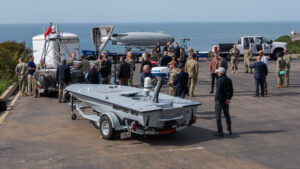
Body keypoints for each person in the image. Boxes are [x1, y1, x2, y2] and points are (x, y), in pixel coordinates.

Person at [214, 67, 233, 137]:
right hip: (226, 100)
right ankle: (229, 129)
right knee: (227, 115)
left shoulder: (219, 80)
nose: (217, 73)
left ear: (220, 73)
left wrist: (218, 99)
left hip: (219, 100)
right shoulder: (229, 80)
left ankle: (220, 131)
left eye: (218, 72)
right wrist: (228, 98)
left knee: (218, 116)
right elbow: (231, 91)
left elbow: (219, 91)